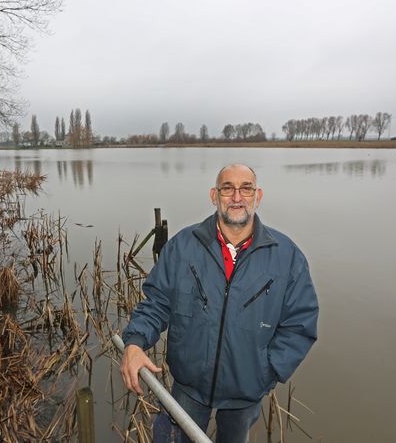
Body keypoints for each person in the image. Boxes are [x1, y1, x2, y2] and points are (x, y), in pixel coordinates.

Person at [120, 163, 319, 443]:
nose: (237, 197)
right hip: (188, 386)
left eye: (245, 188)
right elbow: (156, 302)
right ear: (214, 196)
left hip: (245, 393)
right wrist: (134, 342)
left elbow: (300, 324)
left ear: (257, 196)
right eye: (228, 188)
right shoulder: (182, 246)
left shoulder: (287, 257)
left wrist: (266, 371)